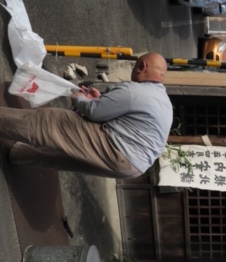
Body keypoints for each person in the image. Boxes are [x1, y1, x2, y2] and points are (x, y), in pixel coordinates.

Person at [0, 52, 173, 178]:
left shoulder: (135, 91)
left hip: (117, 148)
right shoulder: (163, 101)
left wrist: (80, 100)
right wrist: (99, 99)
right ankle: (19, 154)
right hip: (133, 168)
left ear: (142, 66)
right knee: (67, 157)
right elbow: (128, 119)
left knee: (51, 122)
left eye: (135, 67)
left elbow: (94, 112)